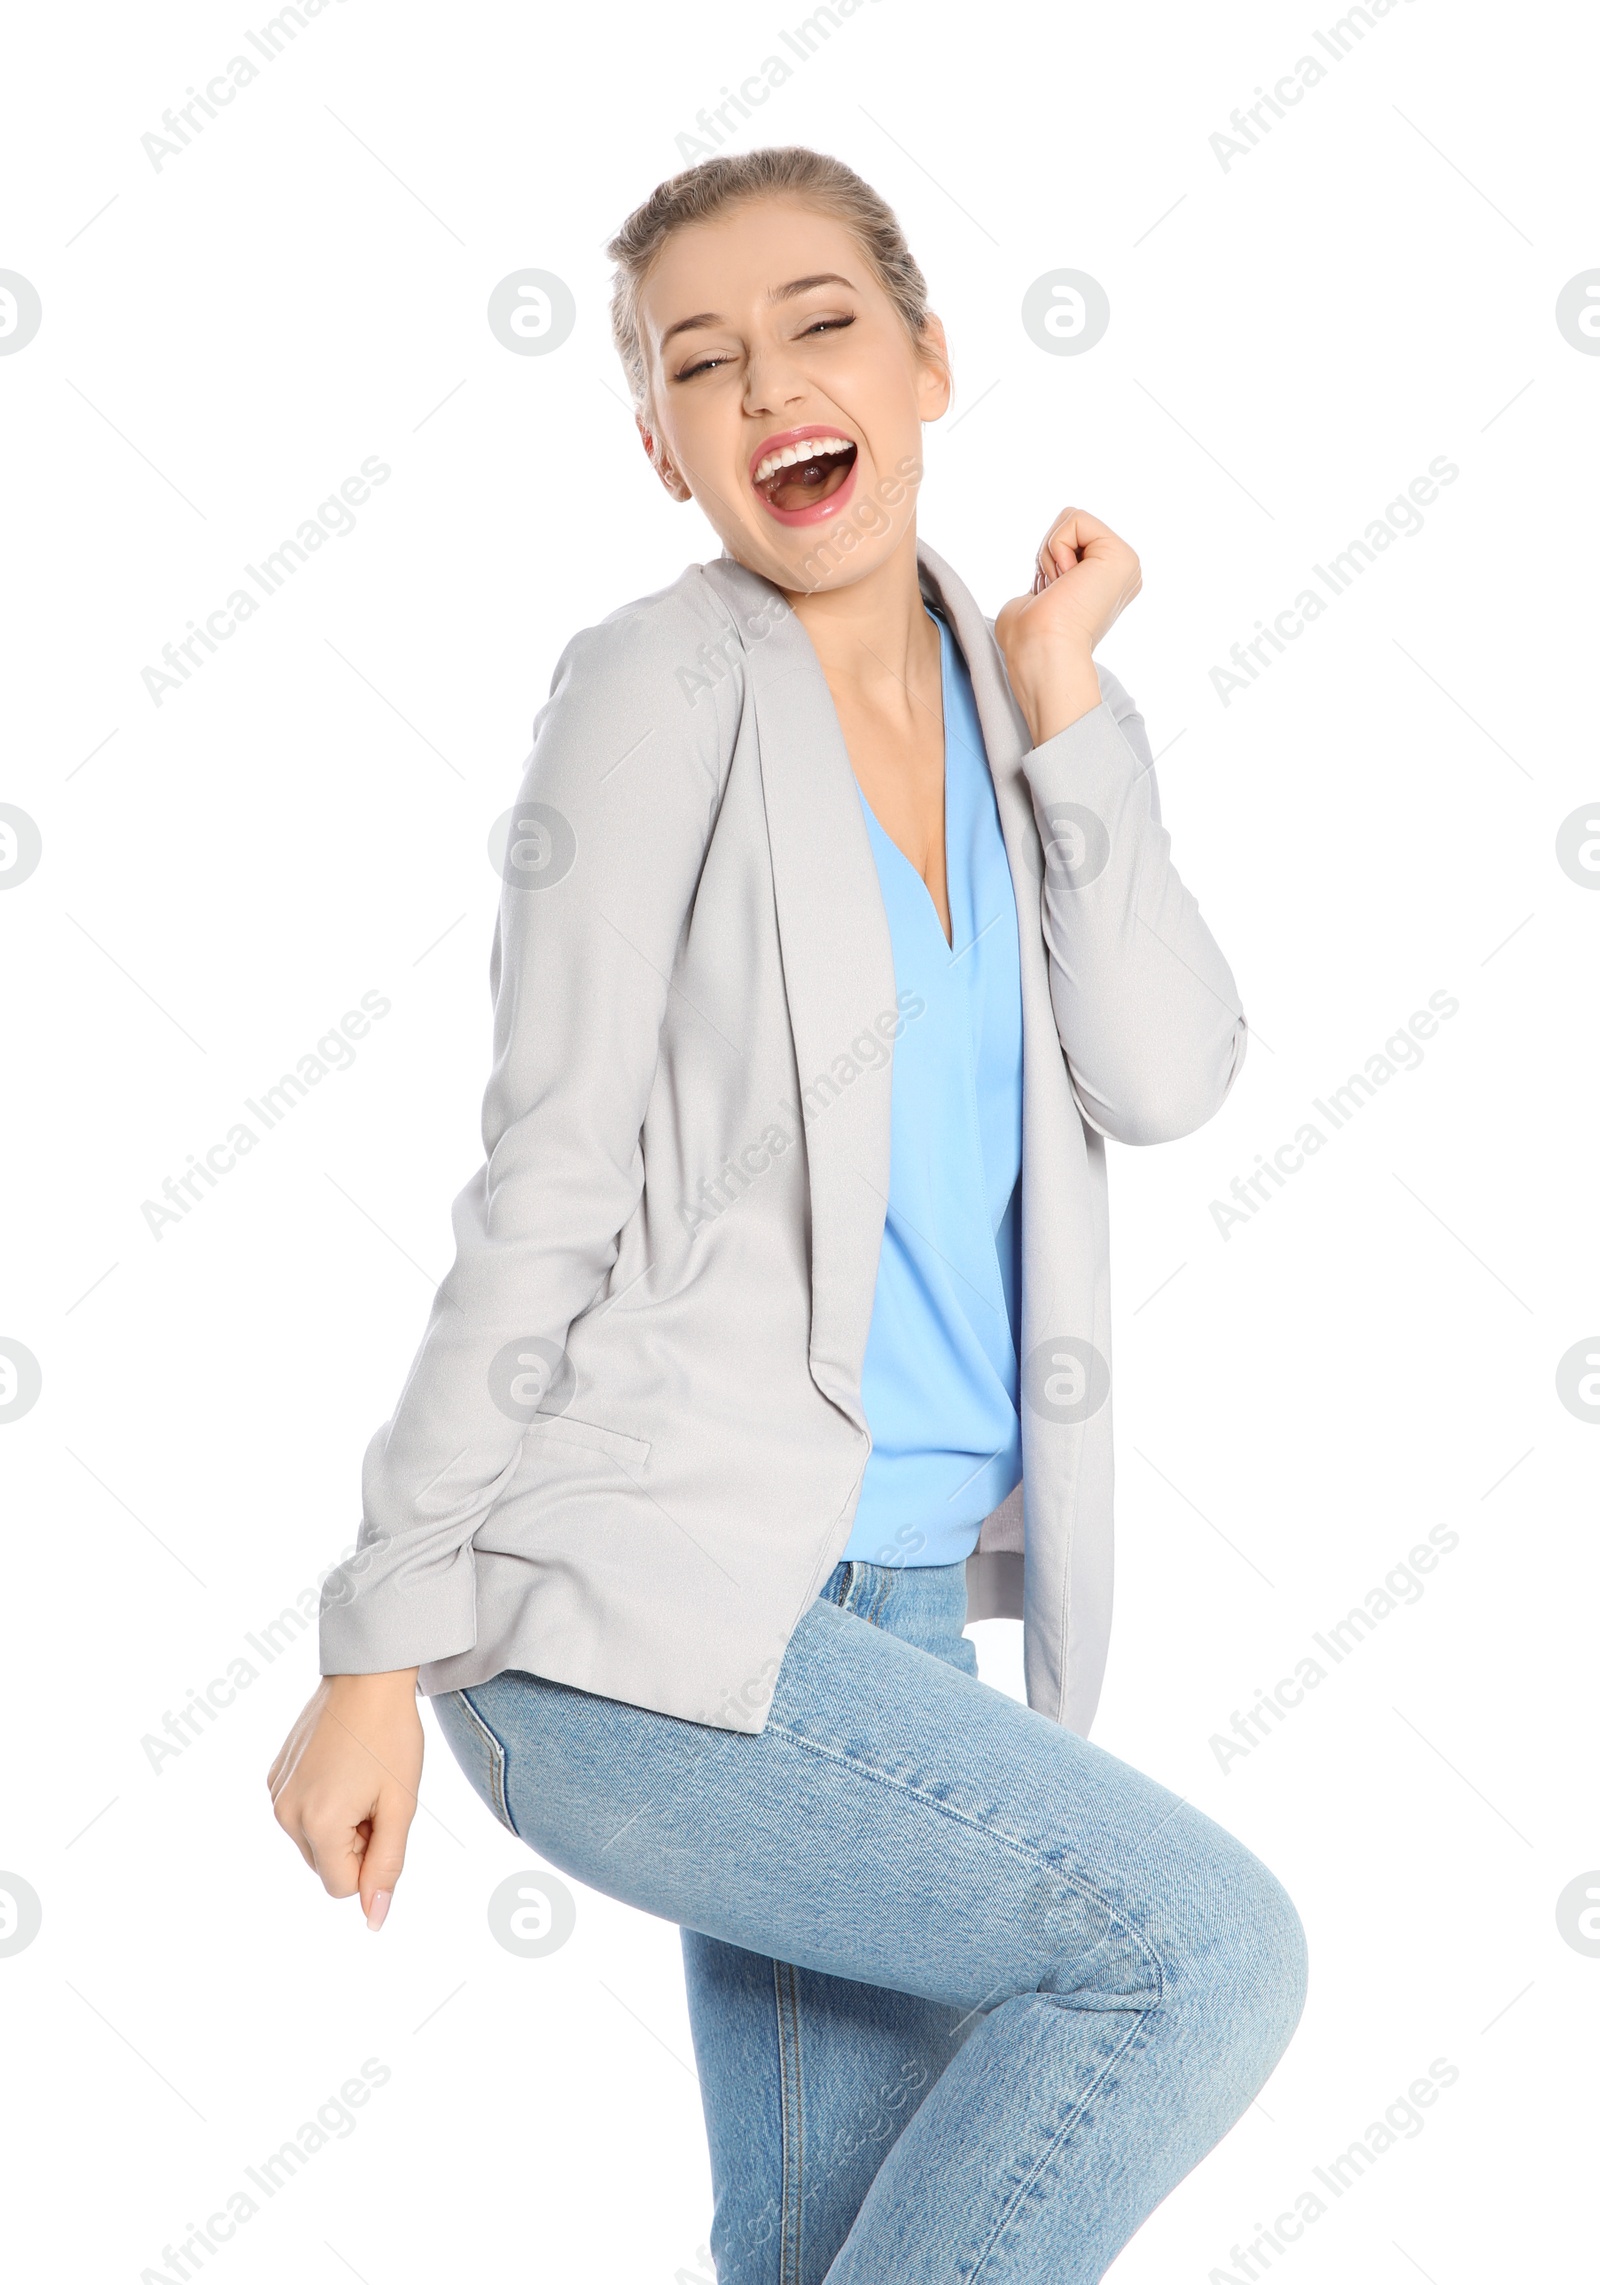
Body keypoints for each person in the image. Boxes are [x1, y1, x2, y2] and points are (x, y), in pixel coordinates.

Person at [268, 145, 1306, 2283]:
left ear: (924, 362)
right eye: (701, 361)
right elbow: (540, 1172)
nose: (767, 389)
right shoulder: (654, 692)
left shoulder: (1001, 696)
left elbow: (1167, 1073)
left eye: (820, 324)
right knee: (1190, 1955)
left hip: (899, 1601)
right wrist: (375, 1640)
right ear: (657, 443)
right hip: (630, 1605)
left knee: (821, 2229)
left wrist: (1068, 701)